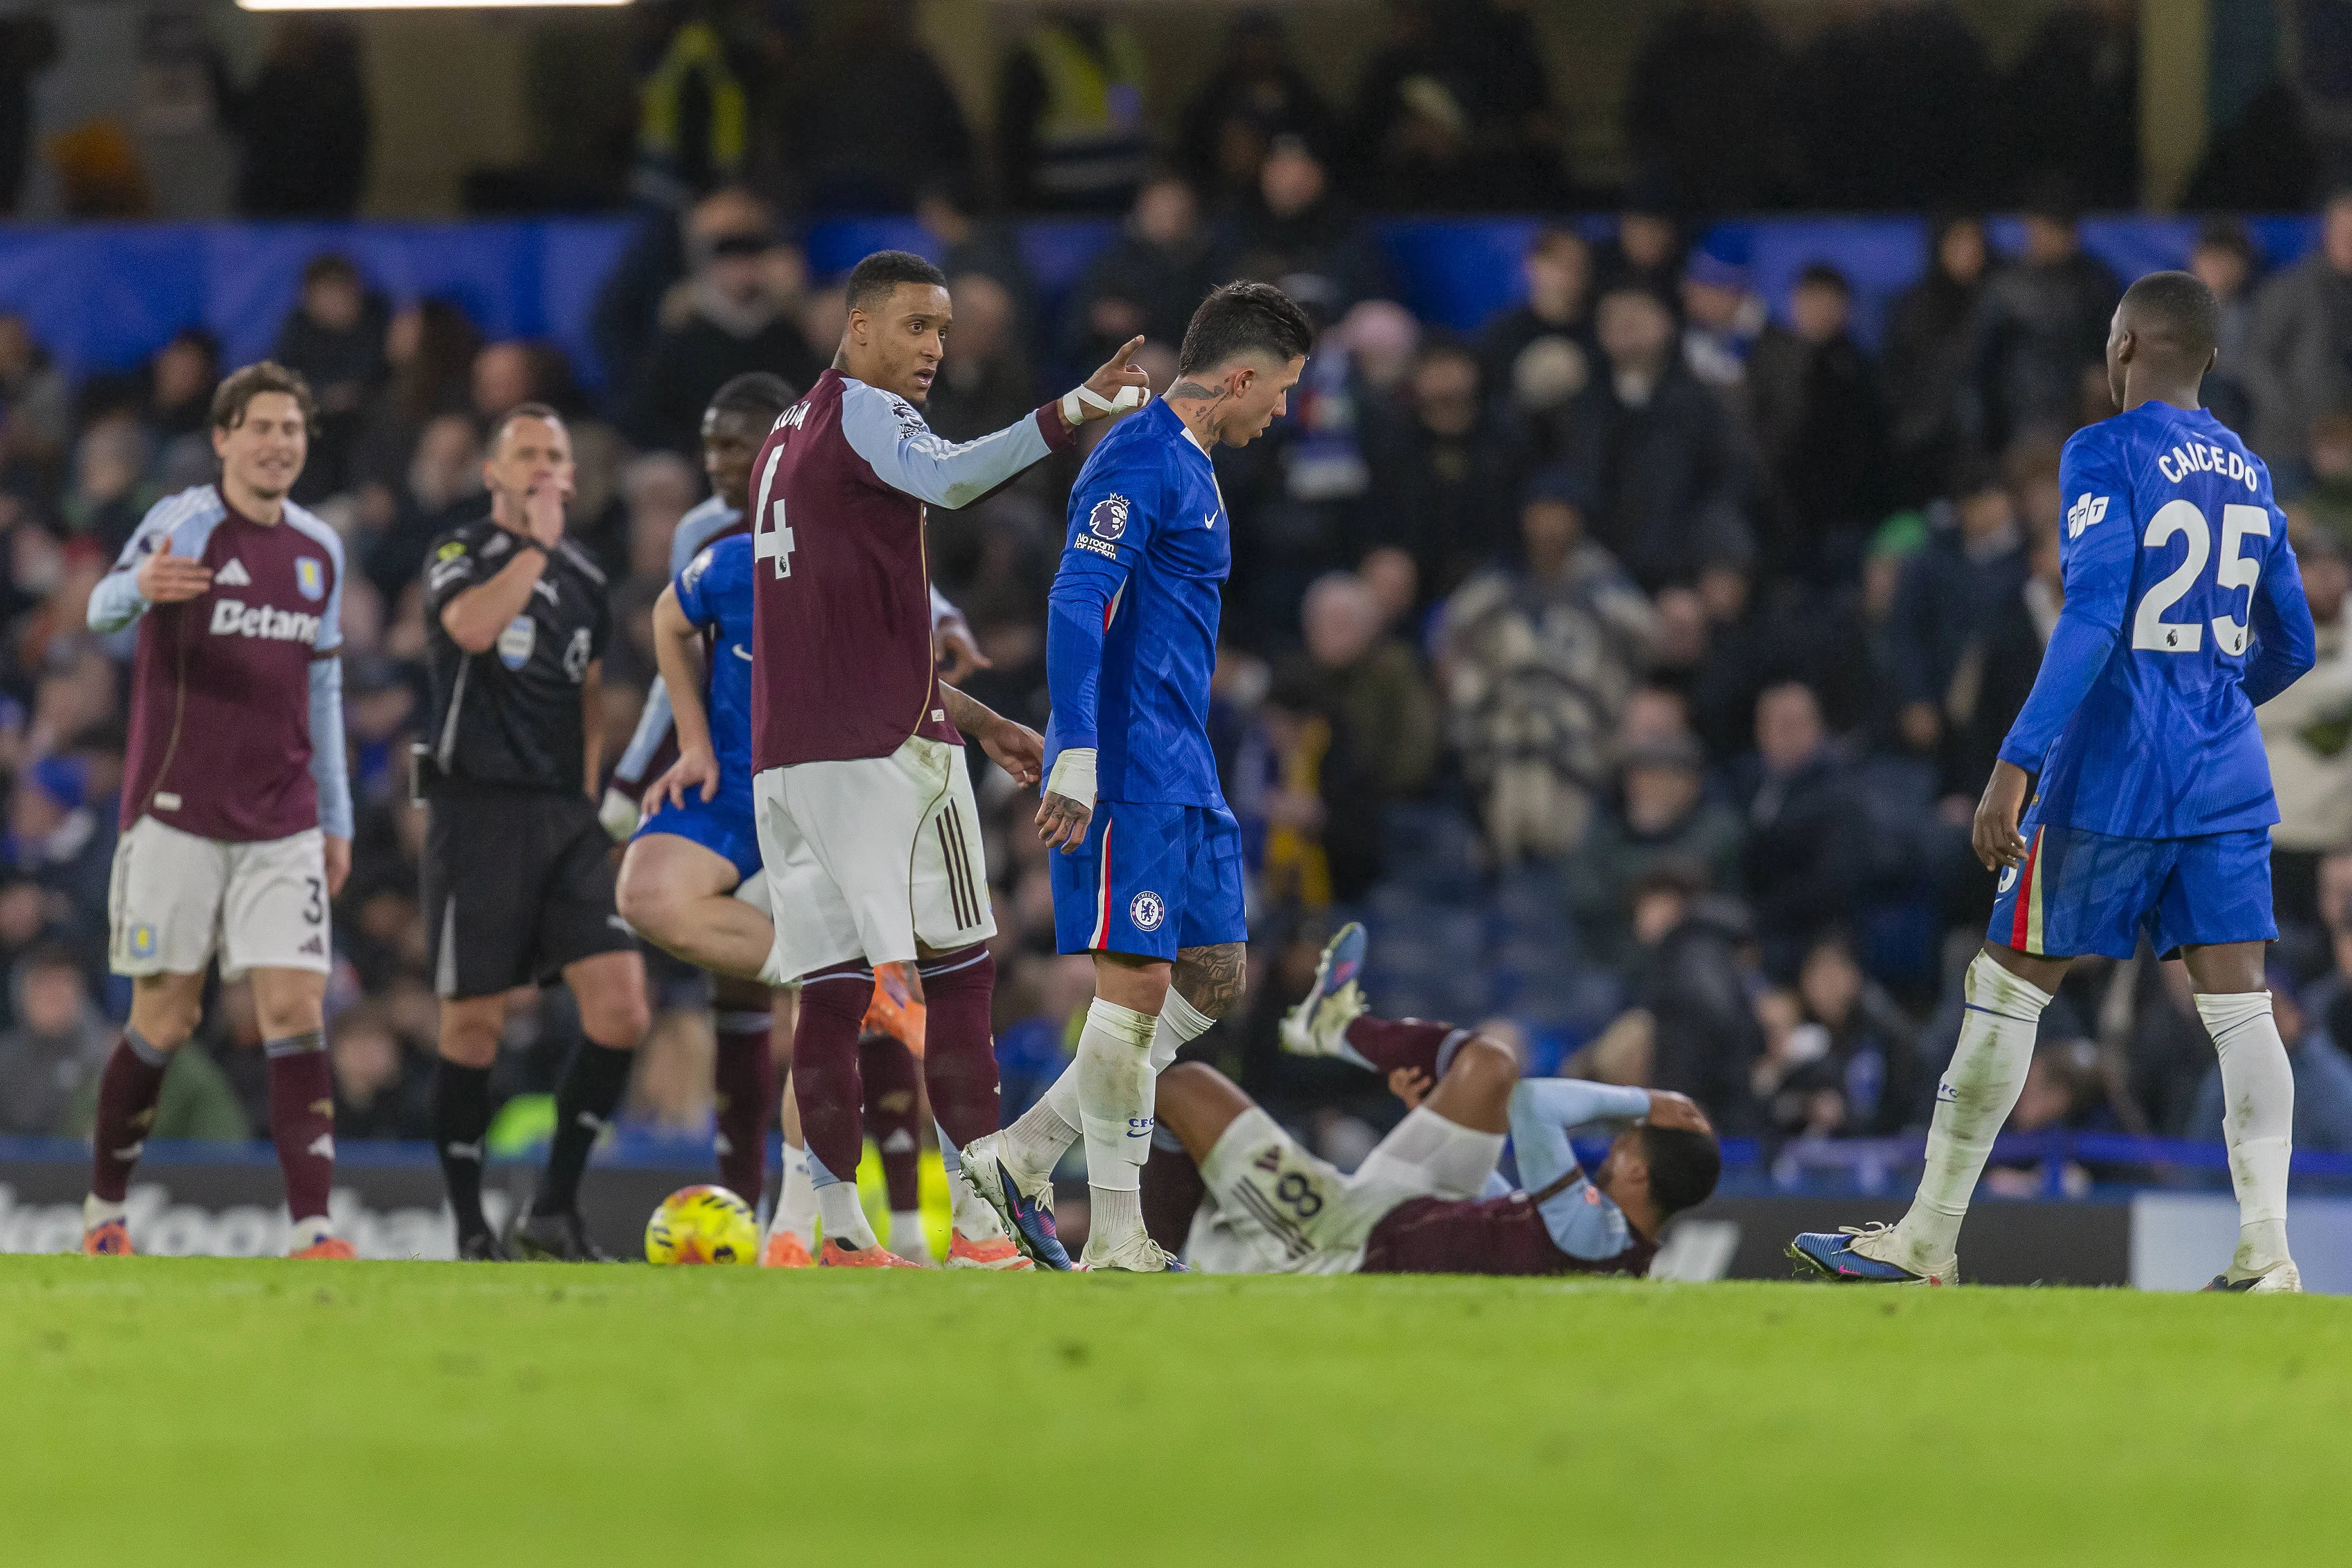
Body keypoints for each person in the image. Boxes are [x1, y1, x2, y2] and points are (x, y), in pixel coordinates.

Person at [1793, 271, 2319, 1292]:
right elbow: (2290, 642)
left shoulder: (2101, 450)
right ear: (2207, 358)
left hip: (2111, 773)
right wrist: (2209, 700)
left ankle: (1926, 1240)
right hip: (2222, 777)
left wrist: (2012, 763)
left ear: (2119, 349)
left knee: (2003, 987)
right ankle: (2266, 1253)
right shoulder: (2252, 471)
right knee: (2240, 1011)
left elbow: (2086, 619)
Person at [741, 249, 1149, 1266]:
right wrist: (1071, 411)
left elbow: (836, 632)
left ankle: (836, 1234)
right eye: (917, 326)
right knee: (963, 976)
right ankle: (978, 1225)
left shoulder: (782, 438)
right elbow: (953, 476)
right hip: (886, 759)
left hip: (788, 763)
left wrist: (968, 712)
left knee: (827, 997)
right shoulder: (870, 416)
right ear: (860, 325)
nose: (933, 349)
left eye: (943, 330)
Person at [617, 383, 1024, 1271]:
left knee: (830, 1002)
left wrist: (984, 721)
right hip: (748, 781)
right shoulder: (732, 555)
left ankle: (810, 1226)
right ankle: (897, 1226)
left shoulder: (854, 549)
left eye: (743, 446)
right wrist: (685, 744)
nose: (730, 463)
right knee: (660, 901)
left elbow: (903, 664)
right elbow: (665, 619)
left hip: (845, 777)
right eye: (716, 446)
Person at [961, 280, 1313, 1273]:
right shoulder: (1138, 455)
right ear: (1236, 375)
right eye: (1278, 391)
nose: (1279, 412)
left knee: (1212, 977)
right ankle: (1117, 1235)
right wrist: (1075, 752)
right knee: (1137, 990)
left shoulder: (1193, 465)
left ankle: (1020, 1152)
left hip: (1181, 760)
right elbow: (1077, 597)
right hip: (1125, 761)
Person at [79, 362, 355, 1258]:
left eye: (292, 428)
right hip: (176, 814)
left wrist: (337, 818)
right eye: (262, 427)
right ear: (224, 438)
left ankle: (314, 1228)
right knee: (166, 1017)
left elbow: (323, 694)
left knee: (294, 1006)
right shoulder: (185, 523)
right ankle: (103, 1210)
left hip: (282, 818)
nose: (279, 442)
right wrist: (138, 591)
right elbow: (98, 608)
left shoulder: (320, 550)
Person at [1149, 923, 1720, 1276]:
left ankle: (1151, 1255)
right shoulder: (1617, 1249)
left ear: (1639, 1172)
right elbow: (1506, 1217)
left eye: (1628, 1141)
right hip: (1419, 1202)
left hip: (1350, 1238)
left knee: (1181, 1086)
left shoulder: (1592, 1229)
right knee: (1490, 1066)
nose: (1616, 1141)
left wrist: (1644, 1100)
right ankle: (1331, 1026)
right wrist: (1432, 1117)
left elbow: (1535, 1105)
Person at [418, 402, 652, 1262]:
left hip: (563, 816)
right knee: (472, 1026)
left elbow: (589, 693)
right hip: (475, 811)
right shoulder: (458, 552)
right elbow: (473, 629)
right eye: (525, 453)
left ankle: (552, 1208)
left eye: (556, 453)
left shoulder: (586, 575)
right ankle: (470, 1225)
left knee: (623, 1008)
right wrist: (537, 548)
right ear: (493, 473)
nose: (544, 466)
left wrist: (589, 797)